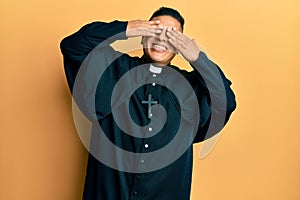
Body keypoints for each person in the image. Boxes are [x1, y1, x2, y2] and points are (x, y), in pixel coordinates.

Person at [60, 7, 236, 200]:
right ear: (143, 36)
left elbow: (226, 100)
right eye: (155, 31)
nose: (161, 40)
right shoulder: (114, 69)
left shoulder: (190, 87)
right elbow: (73, 45)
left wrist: (198, 58)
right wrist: (125, 29)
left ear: (179, 48)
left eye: (172, 36)